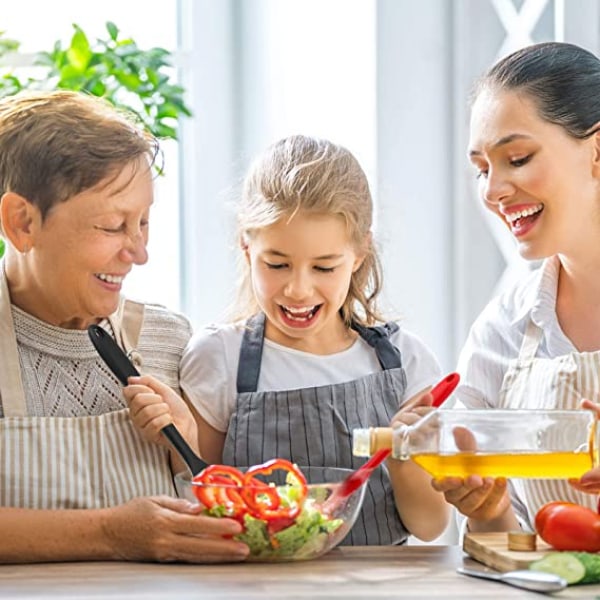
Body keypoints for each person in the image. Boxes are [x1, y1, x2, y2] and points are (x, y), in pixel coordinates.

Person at [125, 134, 450, 544]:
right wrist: (181, 436)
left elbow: (430, 525)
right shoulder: (219, 358)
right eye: (277, 264)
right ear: (246, 247)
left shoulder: (405, 362)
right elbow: (204, 495)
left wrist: (404, 454)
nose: (298, 289)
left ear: (360, 253)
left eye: (324, 268)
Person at [0, 90, 248, 563]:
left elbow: (216, 515)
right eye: (114, 226)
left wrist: (186, 448)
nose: (138, 252)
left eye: (144, 223)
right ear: (22, 222)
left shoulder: (169, 341)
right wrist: (110, 533)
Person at [432, 41, 600, 534]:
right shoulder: (505, 326)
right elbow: (510, 548)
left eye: (518, 158)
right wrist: (489, 509)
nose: (492, 191)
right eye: (482, 168)